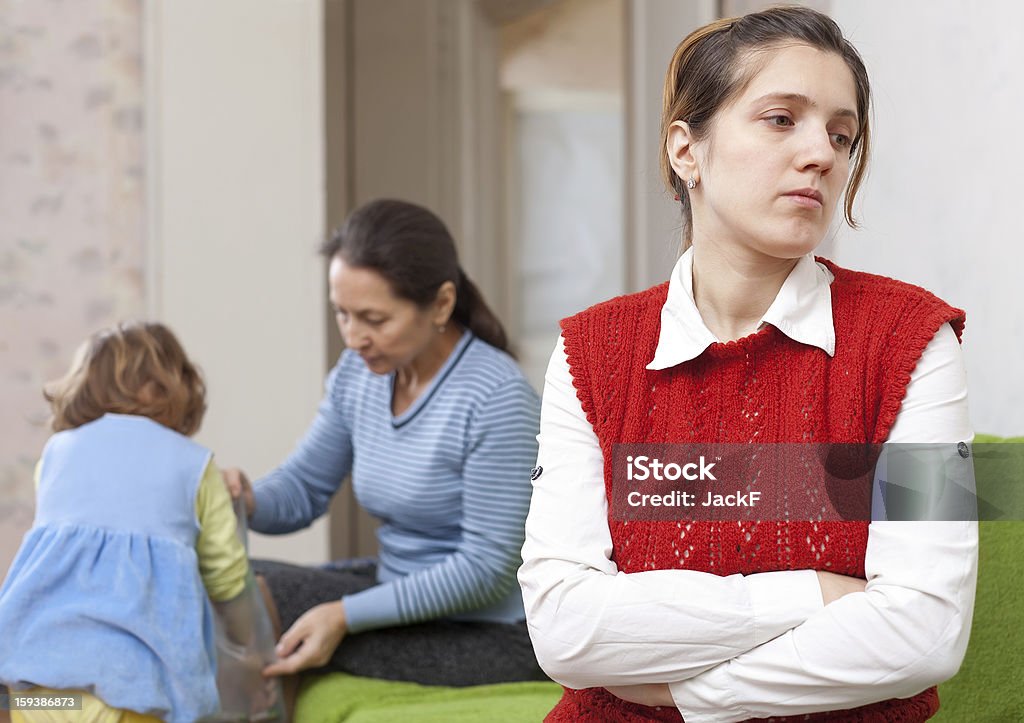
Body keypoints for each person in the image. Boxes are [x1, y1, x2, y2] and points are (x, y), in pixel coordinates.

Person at [518, 6, 976, 722]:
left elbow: (926, 632)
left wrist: (689, 693)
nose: (821, 153)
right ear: (686, 150)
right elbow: (565, 628)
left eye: (841, 133)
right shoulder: (591, 352)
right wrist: (814, 593)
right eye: (780, 119)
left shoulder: (915, 340)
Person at [224, 199, 544, 686]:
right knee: (229, 582)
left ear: (440, 304)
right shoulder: (360, 374)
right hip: (395, 593)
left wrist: (343, 616)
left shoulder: (496, 398)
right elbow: (303, 488)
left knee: (263, 601)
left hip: (491, 631)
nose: (354, 338)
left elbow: (486, 570)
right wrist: (243, 498)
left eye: (374, 320)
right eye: (342, 315)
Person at [0, 322, 252, 723]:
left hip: (36, 692)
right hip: (133, 694)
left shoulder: (56, 454)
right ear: (179, 387)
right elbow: (226, 574)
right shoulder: (194, 464)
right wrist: (248, 641)